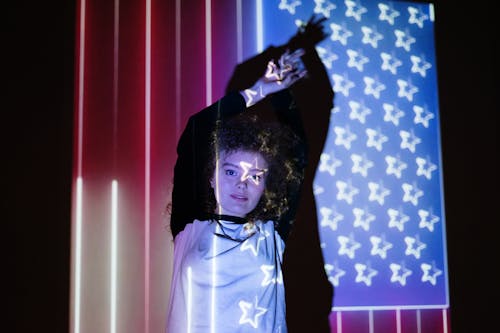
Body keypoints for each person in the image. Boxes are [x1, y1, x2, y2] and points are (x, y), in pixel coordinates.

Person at [167, 15, 334, 332]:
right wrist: (259, 90)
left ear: (265, 186)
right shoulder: (190, 226)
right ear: (212, 176)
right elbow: (197, 130)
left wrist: (283, 91)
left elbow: (299, 149)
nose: (241, 184)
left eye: (255, 177)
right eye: (231, 171)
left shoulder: (272, 234)